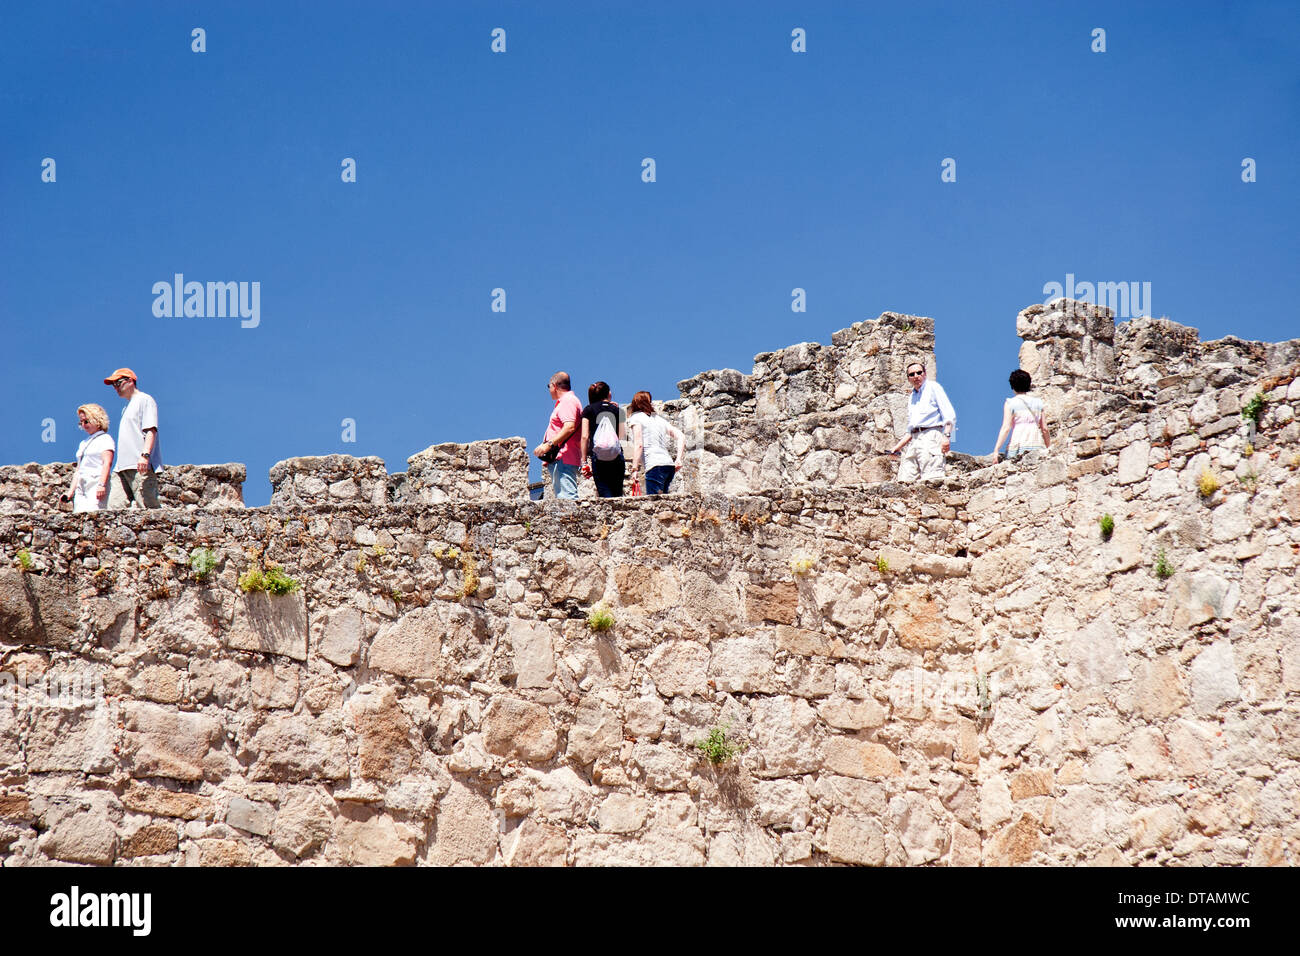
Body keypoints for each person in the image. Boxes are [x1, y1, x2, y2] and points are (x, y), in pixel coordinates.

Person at [104, 367, 162, 509]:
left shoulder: (145, 400)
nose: (116, 387)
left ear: (130, 381)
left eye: (118, 383)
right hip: (121, 467)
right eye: (113, 385)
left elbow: (151, 430)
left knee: (147, 507)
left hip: (139, 464)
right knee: (114, 509)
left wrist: (145, 455)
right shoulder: (126, 407)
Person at [889, 361, 956, 482]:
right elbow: (911, 428)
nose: (916, 376)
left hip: (931, 436)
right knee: (904, 480)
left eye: (919, 372)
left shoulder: (933, 388)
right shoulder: (912, 397)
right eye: (912, 374)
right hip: (914, 439)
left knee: (932, 478)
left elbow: (949, 415)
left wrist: (946, 437)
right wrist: (897, 448)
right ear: (908, 378)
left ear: (925, 374)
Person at [533, 371, 583, 499]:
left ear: (554, 386)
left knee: (567, 498)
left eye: (548, 386)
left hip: (564, 457)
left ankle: (573, 520)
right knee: (563, 496)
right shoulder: (568, 401)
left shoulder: (567, 401)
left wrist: (549, 445)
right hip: (562, 457)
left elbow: (569, 426)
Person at [627, 391, 685, 495]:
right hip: (668, 465)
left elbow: (639, 444)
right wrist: (678, 459)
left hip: (654, 465)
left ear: (635, 403)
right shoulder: (659, 420)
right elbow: (681, 436)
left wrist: (634, 469)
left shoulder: (636, 418)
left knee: (654, 504)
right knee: (664, 502)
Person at [61, 404, 115, 513]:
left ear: (97, 420)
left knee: (94, 513)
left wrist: (102, 485)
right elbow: (78, 470)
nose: (83, 425)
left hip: (95, 482)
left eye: (86, 421)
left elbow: (107, 463)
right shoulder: (83, 443)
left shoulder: (105, 439)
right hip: (82, 485)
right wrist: (70, 492)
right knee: (79, 515)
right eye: (81, 422)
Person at [992, 369, 1050, 461]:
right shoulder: (1038, 402)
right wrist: (1048, 448)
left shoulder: (1010, 403)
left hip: (1017, 444)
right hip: (1036, 443)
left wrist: (996, 449)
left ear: (1012, 386)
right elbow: (1045, 429)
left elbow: (1006, 428)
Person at [581, 381, 626, 498]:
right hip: (616, 455)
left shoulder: (588, 410)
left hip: (598, 456)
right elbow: (622, 436)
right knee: (617, 494)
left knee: (605, 494)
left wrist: (584, 461)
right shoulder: (618, 410)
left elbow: (585, 436)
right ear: (608, 393)